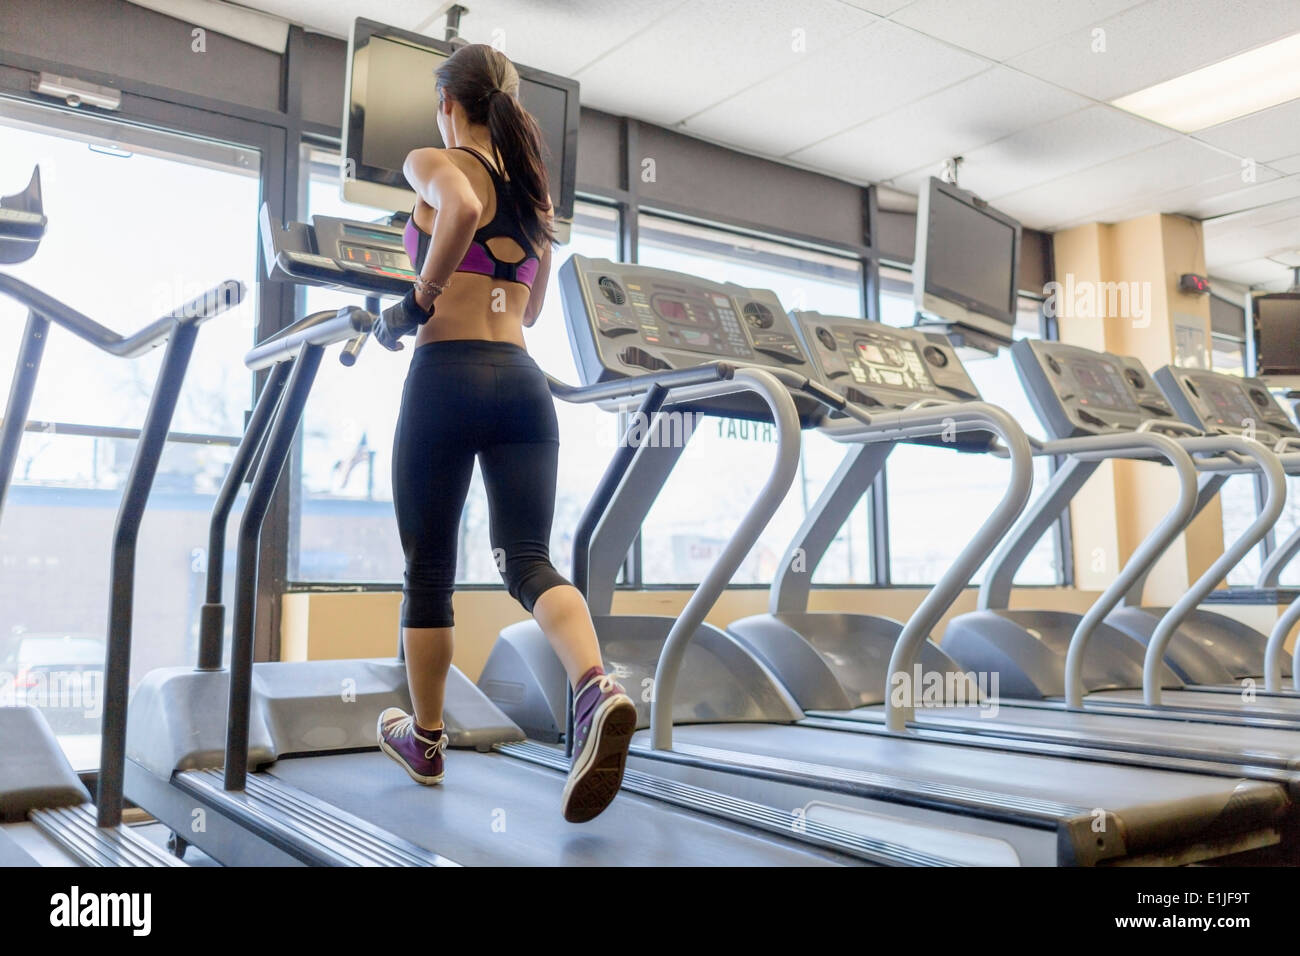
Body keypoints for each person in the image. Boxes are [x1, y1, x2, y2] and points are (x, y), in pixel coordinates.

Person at [370, 43, 635, 824]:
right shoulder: (533, 197)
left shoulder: (437, 160)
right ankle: (594, 684)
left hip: (445, 378)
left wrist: (419, 301)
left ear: (451, 105)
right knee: (527, 560)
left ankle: (425, 740)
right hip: (521, 385)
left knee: (430, 573)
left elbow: (455, 211)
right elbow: (533, 308)